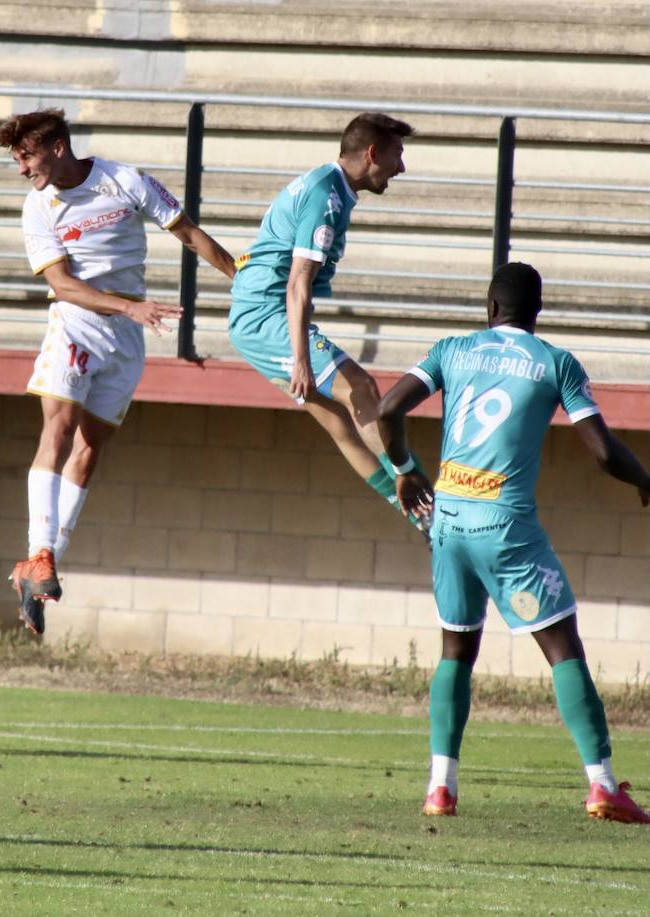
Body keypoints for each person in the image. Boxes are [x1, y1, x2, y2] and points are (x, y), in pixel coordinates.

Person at [378, 262, 650, 824]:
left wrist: (405, 468)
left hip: (448, 522)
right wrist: (645, 480)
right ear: (537, 313)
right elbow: (602, 453)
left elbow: (387, 408)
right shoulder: (555, 363)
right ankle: (602, 786)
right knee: (563, 649)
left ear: (490, 308)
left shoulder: (453, 349)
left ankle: (440, 788)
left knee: (456, 650)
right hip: (505, 530)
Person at [0, 109, 237, 636]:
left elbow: (188, 233)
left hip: (127, 336)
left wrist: (240, 277)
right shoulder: (38, 208)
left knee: (90, 449)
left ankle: (38, 567)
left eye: (26, 156)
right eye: (16, 160)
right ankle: (37, 553)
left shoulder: (124, 181)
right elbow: (62, 285)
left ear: (58, 146)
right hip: (79, 322)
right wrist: (130, 309)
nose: (21, 169)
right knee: (57, 432)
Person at [230, 112, 428, 531]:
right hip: (268, 317)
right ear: (372, 153)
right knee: (361, 388)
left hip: (257, 317)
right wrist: (301, 359)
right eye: (397, 155)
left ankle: (419, 518)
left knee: (340, 422)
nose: (402, 167)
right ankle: (414, 483)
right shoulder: (327, 197)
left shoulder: (328, 185)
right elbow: (298, 281)